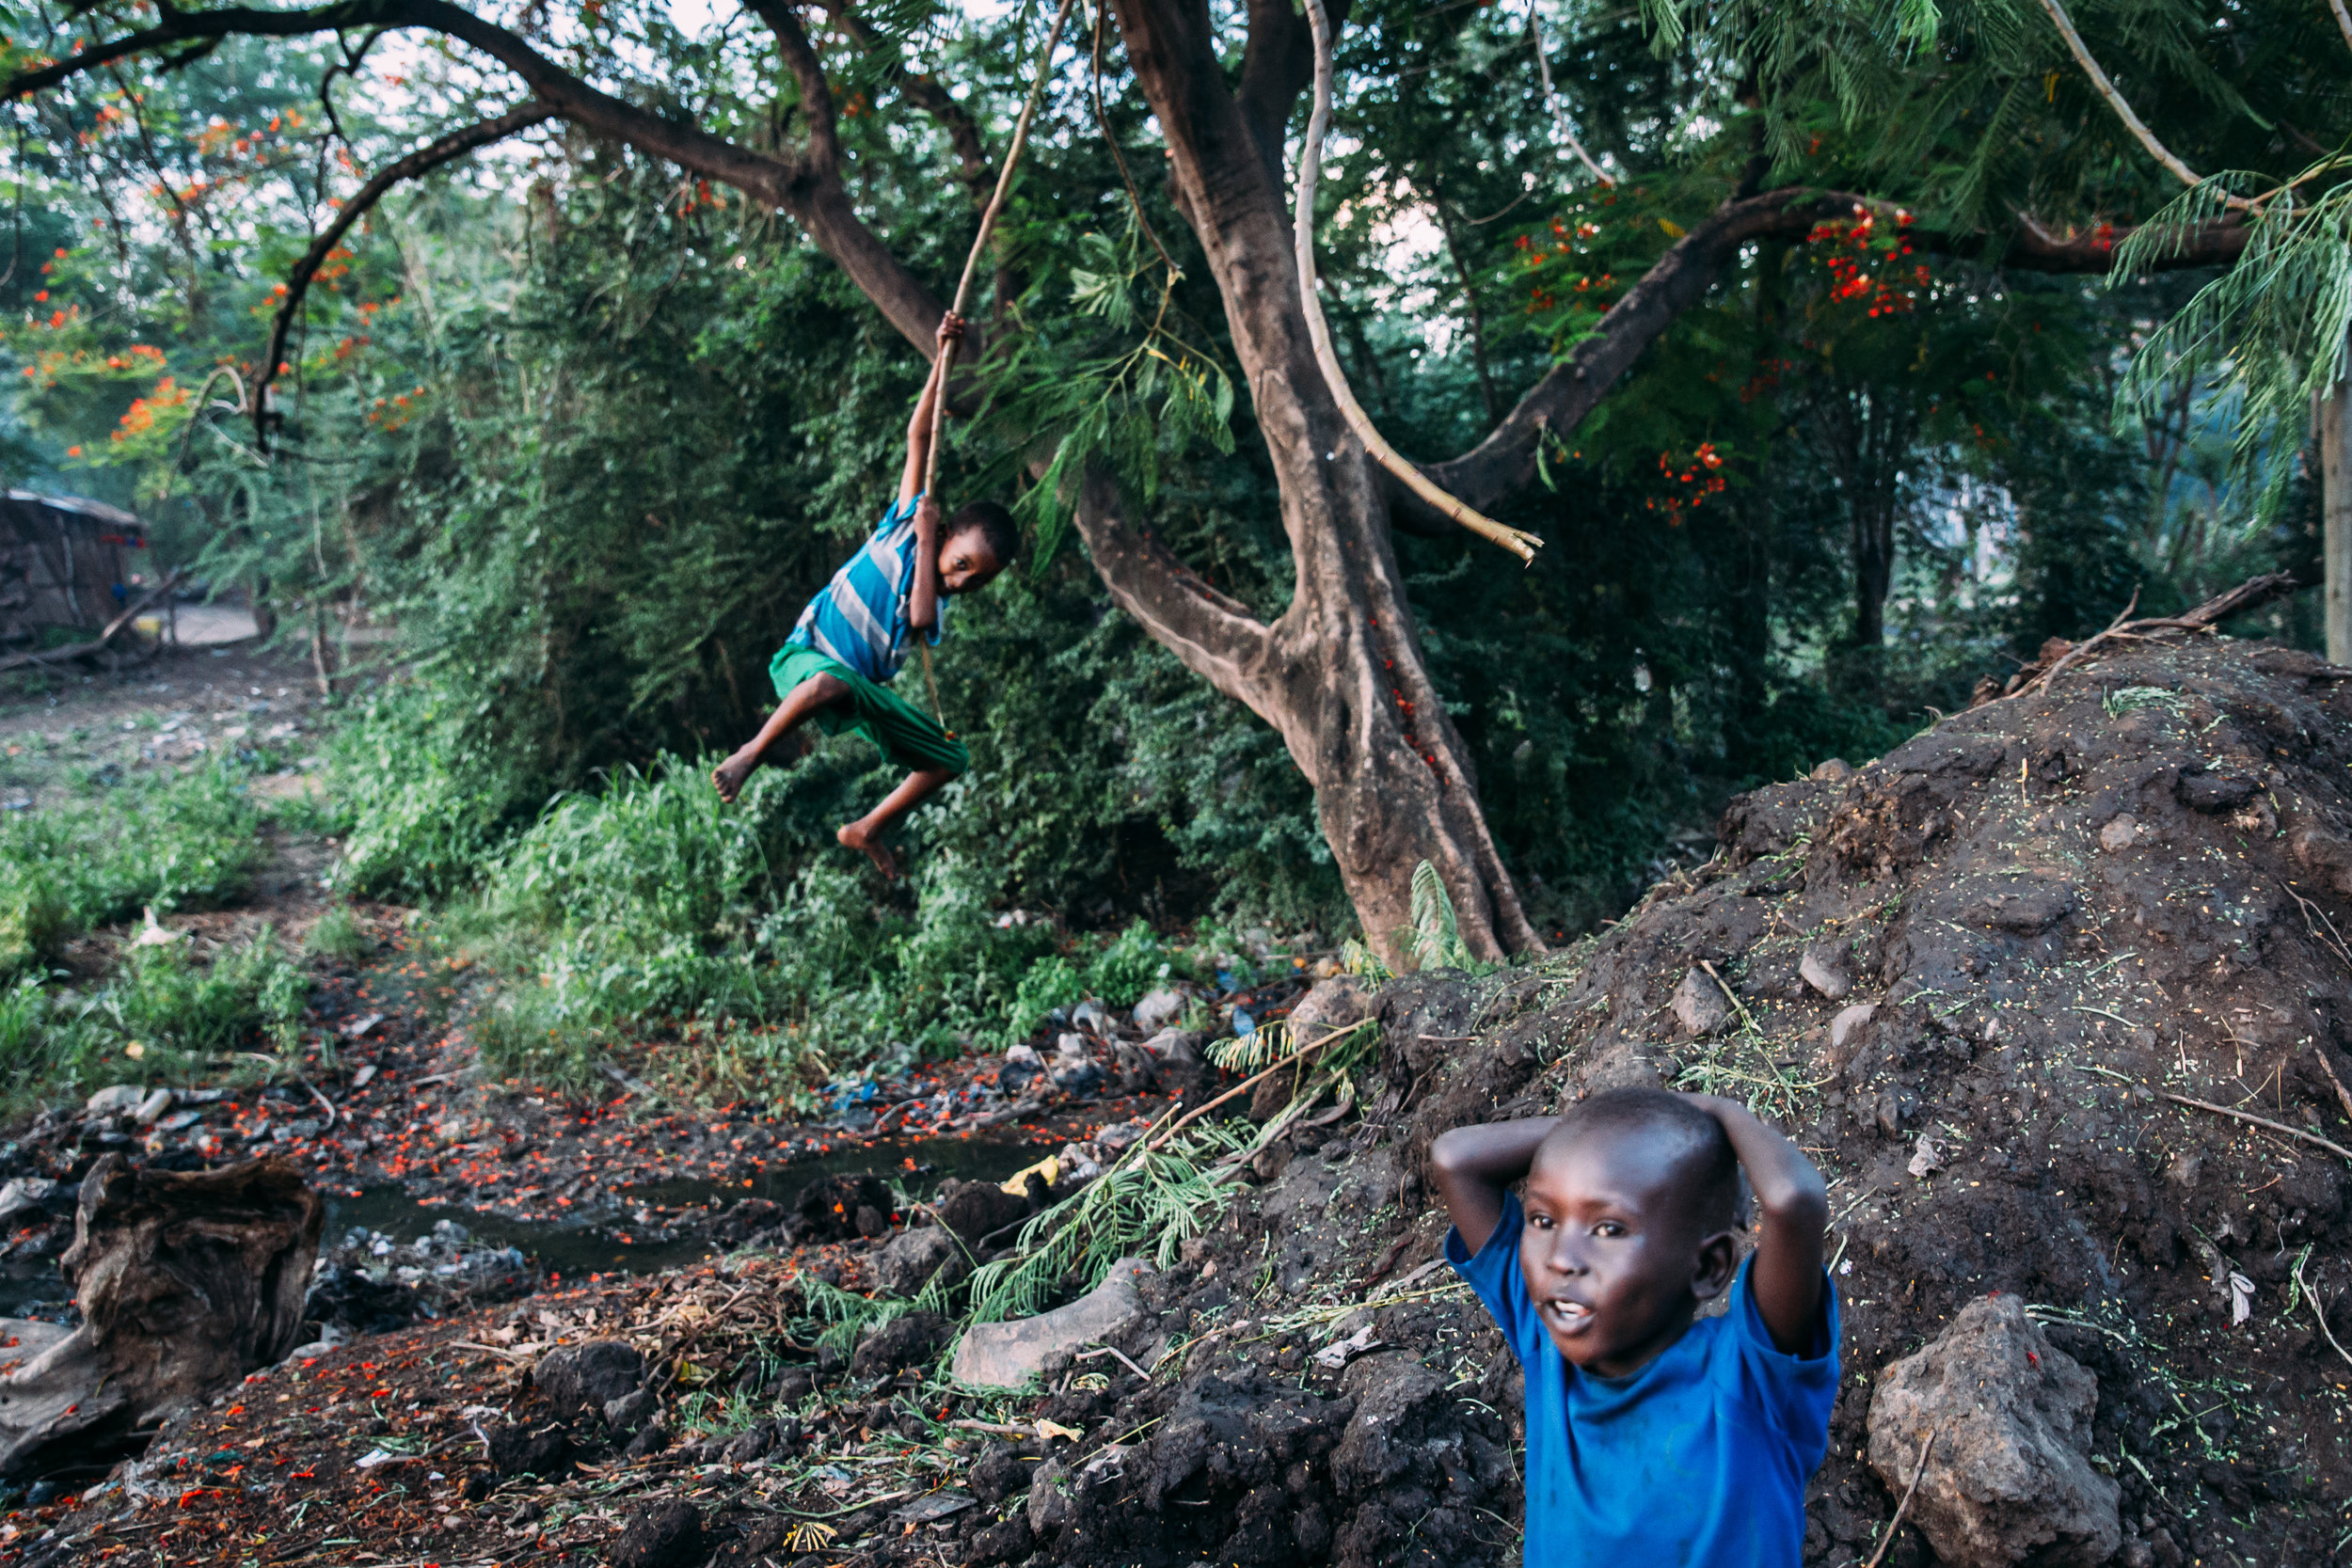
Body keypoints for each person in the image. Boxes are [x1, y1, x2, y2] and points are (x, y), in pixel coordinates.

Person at [1428, 1086, 1836, 1566]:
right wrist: (1621, 1120)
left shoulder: (1755, 1381)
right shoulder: (1549, 1341)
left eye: (1608, 1229)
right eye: (1543, 1219)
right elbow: (1455, 1160)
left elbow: (1794, 1201)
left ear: (1709, 1267)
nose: (1562, 1259)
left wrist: (1721, 1113)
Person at [711, 312, 1018, 878]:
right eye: (961, 565)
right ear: (951, 533)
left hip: (857, 689)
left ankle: (866, 827)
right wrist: (939, 358)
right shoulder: (906, 523)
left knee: (950, 757)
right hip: (806, 662)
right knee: (830, 679)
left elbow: (922, 614)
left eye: (975, 582)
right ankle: (749, 754)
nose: (960, 583)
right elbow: (919, 435)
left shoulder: (935, 590)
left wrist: (932, 548)